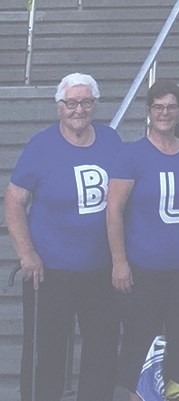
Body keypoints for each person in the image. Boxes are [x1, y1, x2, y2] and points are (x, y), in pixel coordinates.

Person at [5, 72, 122, 401]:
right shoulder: (41, 146)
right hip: (50, 273)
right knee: (46, 355)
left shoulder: (111, 141)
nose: (78, 109)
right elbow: (14, 200)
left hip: (100, 271)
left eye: (85, 102)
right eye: (71, 103)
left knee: (101, 352)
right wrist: (26, 254)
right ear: (59, 107)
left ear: (95, 106)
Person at [106, 80, 179, 401]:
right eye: (158, 107)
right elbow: (114, 212)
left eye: (171, 107)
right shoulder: (132, 154)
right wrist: (120, 262)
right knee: (141, 344)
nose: (165, 113)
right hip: (144, 269)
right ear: (149, 112)